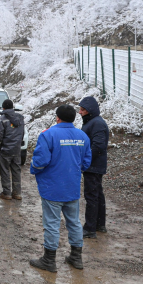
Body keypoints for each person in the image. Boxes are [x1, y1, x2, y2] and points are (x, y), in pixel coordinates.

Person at [29, 104, 92, 273]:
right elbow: (86, 163)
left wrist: (33, 168)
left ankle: (49, 260)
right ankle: (76, 257)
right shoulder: (83, 136)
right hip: (71, 188)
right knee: (74, 222)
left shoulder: (48, 134)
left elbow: (40, 162)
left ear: (57, 117)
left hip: (52, 188)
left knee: (51, 224)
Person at [78, 96, 109, 238]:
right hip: (94, 165)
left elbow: (98, 146)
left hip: (93, 166)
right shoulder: (92, 122)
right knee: (97, 195)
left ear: (89, 111)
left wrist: (85, 160)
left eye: (82, 109)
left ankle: (90, 228)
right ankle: (99, 224)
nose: (80, 112)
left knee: (91, 196)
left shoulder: (97, 124)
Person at [0, 99, 25, 200]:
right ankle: (17, 193)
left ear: (3, 108)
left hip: (5, 150)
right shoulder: (20, 118)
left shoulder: (1, 119)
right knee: (16, 171)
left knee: (5, 171)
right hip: (16, 150)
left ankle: (6, 193)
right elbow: (22, 134)